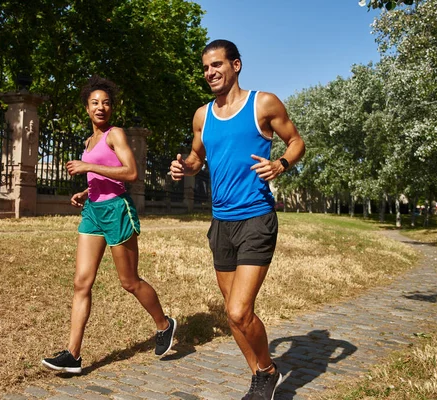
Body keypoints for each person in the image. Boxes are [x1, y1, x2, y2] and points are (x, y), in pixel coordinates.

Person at [169, 40, 305, 400]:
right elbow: (198, 159)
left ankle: (269, 370)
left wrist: (281, 164)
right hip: (221, 222)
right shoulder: (203, 115)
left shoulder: (263, 103)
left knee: (239, 309)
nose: (210, 72)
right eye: (205, 68)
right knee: (234, 317)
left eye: (217, 65)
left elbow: (296, 141)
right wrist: (184, 167)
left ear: (236, 65)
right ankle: (261, 374)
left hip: (256, 218)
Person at [42, 75, 176, 374]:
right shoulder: (89, 141)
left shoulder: (115, 135)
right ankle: (73, 355)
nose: (100, 107)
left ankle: (164, 324)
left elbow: (130, 173)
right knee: (81, 282)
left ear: (111, 108)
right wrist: (86, 191)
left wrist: (88, 166)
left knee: (129, 282)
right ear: (86, 108)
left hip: (117, 210)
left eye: (105, 103)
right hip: (93, 212)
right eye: (94, 103)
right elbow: (102, 177)